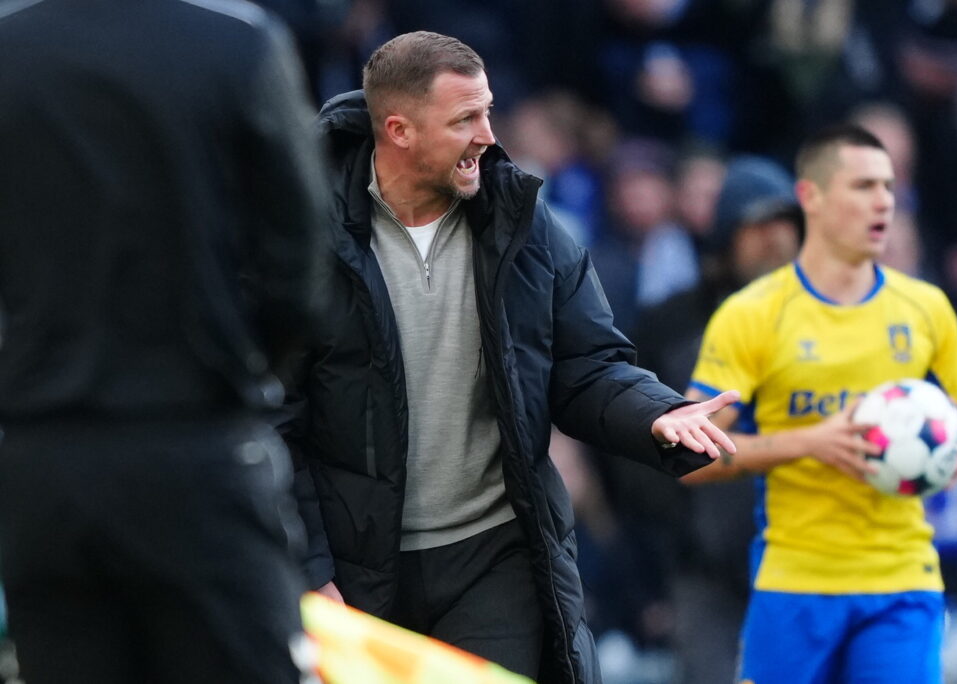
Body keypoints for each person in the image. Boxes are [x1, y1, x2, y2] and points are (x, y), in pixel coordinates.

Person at [281, 30, 738, 684]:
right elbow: (272, 414)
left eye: (488, 111)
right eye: (465, 119)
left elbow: (588, 364)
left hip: (493, 557)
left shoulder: (523, 222)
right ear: (399, 130)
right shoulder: (303, 238)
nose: (488, 136)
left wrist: (656, 413)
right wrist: (311, 572)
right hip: (354, 574)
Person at [0, 1, 332, 682]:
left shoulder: (9, 49)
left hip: (41, 469)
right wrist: (245, 370)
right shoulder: (236, 44)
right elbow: (300, 263)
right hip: (197, 447)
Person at [683, 124, 957, 683]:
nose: (884, 203)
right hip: (795, 584)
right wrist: (810, 442)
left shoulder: (926, 308)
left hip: (903, 582)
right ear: (812, 199)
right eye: (864, 186)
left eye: (890, 188)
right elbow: (688, 458)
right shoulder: (753, 314)